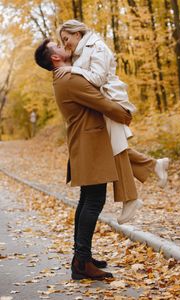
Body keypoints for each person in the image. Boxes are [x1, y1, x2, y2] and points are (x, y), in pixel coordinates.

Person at [34, 38, 132, 280]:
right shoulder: (68, 78)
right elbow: (100, 102)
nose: (62, 45)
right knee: (94, 201)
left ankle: (82, 257)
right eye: (57, 45)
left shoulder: (63, 76)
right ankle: (81, 262)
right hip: (89, 145)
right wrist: (125, 115)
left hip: (85, 143)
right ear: (55, 57)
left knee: (87, 199)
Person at [56, 19, 170, 224]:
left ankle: (131, 198)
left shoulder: (97, 46)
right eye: (62, 42)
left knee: (115, 148)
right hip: (105, 103)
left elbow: (98, 78)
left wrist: (74, 70)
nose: (66, 45)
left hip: (113, 100)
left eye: (66, 39)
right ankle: (154, 166)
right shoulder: (82, 51)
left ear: (77, 34)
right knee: (114, 147)